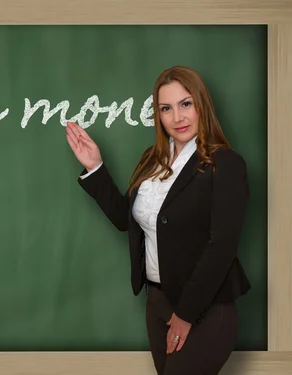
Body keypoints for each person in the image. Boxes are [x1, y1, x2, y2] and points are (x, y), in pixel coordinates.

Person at [65, 65, 251, 375]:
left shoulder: (225, 164)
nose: (177, 117)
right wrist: (96, 167)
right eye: (166, 108)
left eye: (186, 104)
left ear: (202, 105)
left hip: (204, 309)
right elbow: (129, 221)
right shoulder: (153, 160)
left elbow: (222, 245)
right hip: (158, 304)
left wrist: (186, 314)